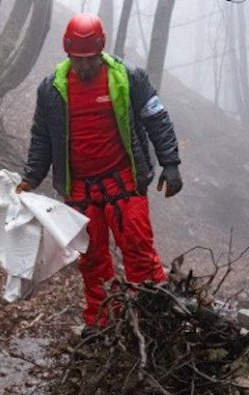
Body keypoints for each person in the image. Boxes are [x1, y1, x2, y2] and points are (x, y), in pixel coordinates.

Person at [15, 13, 183, 332]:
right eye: (78, 60)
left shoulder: (128, 77)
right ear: (68, 54)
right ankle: (103, 324)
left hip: (125, 182)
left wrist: (170, 163)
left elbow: (156, 118)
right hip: (79, 191)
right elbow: (42, 137)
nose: (84, 66)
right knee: (91, 262)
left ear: (100, 51)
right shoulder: (51, 89)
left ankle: (152, 322)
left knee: (138, 251)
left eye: (90, 59)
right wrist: (31, 177)